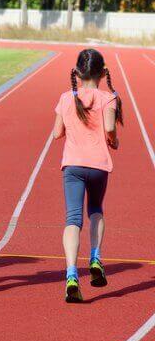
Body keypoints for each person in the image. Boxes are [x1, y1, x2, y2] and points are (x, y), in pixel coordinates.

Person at [53, 48, 123, 303]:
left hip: (73, 165)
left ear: (77, 72)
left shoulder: (66, 98)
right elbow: (109, 127)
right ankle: (95, 257)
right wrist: (113, 140)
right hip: (98, 166)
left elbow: (57, 133)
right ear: (103, 73)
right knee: (95, 210)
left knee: (73, 219)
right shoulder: (108, 98)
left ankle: (72, 274)